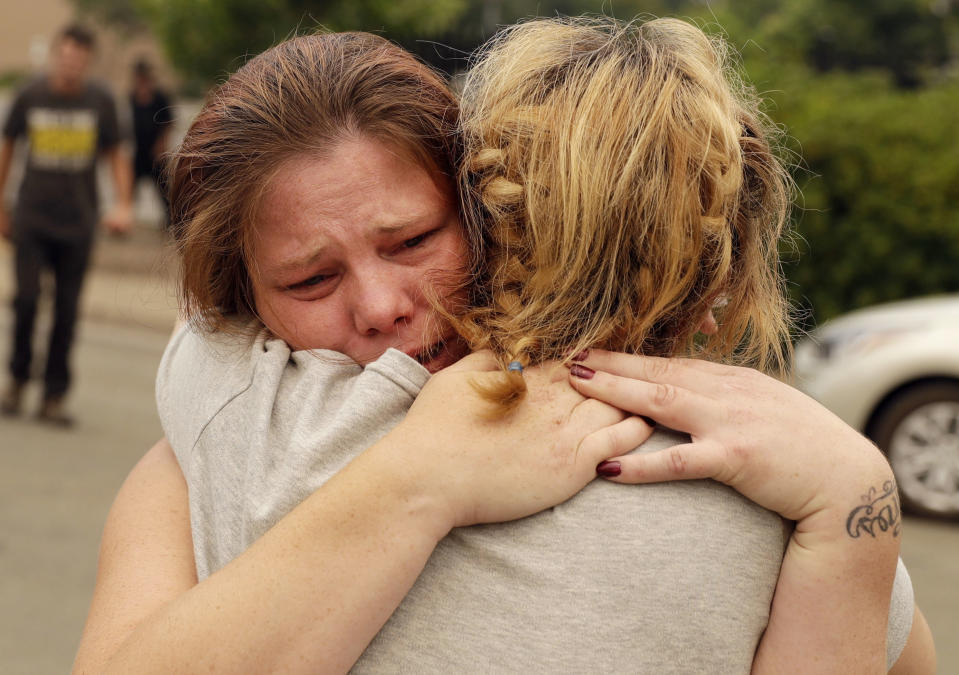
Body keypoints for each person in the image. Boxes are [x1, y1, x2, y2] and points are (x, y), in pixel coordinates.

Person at [74, 23, 935, 674]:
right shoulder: (778, 487)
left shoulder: (225, 417)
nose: (381, 307)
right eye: (308, 282)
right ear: (243, 305)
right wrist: (855, 505)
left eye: (412, 241)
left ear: (491, 214)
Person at [0, 23, 133, 426]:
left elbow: (115, 157)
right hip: (31, 219)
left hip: (77, 223)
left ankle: (53, 397)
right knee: (24, 301)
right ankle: (18, 381)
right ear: (56, 55)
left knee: (66, 311)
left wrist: (124, 204)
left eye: (80, 58)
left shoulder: (100, 102)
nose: (71, 63)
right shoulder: (30, 95)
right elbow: (7, 148)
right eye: (66, 54)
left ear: (87, 62)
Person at [129, 58, 173, 228]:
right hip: (138, 150)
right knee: (130, 185)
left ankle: (170, 220)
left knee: (163, 188)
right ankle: (125, 214)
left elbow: (168, 123)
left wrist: (162, 144)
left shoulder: (160, 97)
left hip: (156, 150)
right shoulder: (132, 97)